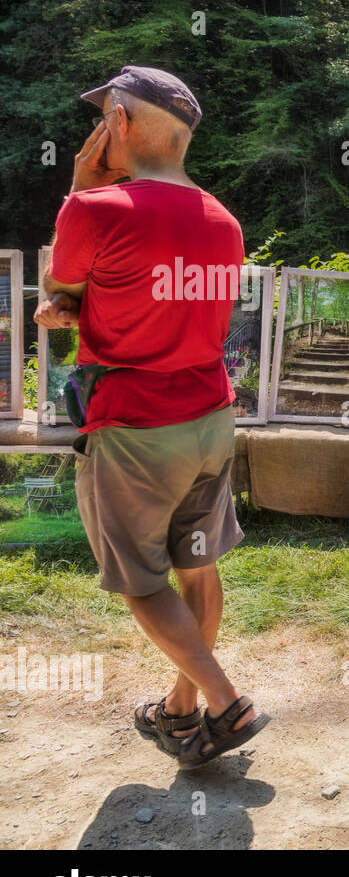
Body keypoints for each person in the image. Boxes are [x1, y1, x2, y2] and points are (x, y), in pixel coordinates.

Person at [34, 65, 269, 769]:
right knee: (197, 567)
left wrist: (79, 189)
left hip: (135, 424)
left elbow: (61, 291)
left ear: (120, 124)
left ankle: (229, 705)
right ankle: (179, 712)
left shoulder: (95, 207)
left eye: (104, 115)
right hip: (210, 416)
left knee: (141, 581)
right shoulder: (225, 221)